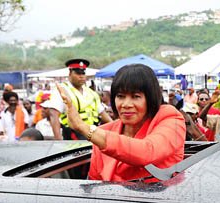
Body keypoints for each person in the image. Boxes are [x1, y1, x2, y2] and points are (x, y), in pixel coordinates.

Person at [57, 64, 186, 182]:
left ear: (151, 97)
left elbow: (147, 152)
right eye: (120, 96)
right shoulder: (104, 132)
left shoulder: (170, 117)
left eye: (136, 96)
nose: (126, 104)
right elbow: (94, 182)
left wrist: (83, 127)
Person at [49, 58, 109, 140]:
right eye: (77, 73)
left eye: (83, 73)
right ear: (70, 73)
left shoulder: (92, 93)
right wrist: (58, 140)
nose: (81, 76)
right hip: (73, 136)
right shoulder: (62, 90)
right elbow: (53, 115)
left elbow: (103, 114)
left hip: (93, 134)